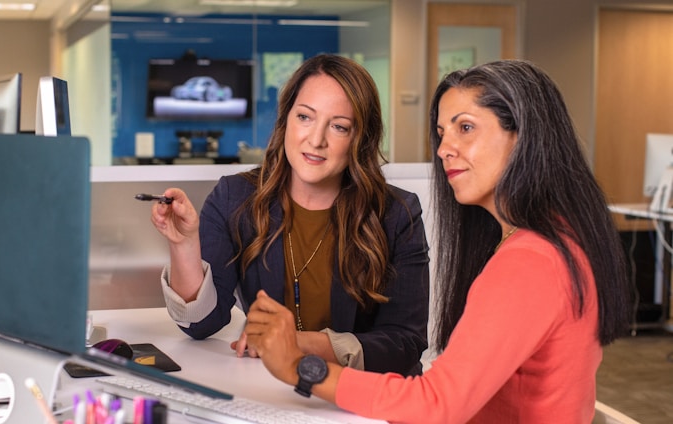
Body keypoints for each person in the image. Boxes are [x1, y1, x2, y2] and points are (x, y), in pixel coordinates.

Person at [243, 59, 633, 423]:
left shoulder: (531, 260)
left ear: (523, 137)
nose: (445, 149)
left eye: (466, 128)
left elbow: (438, 403)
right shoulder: (559, 237)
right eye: (443, 133)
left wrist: (300, 368)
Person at [149, 54, 430, 375]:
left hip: (362, 397)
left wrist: (297, 343)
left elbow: (405, 344)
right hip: (272, 390)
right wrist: (184, 244)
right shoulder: (235, 197)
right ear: (286, 120)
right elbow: (200, 324)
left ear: (359, 139)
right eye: (305, 117)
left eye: (339, 126)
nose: (316, 139)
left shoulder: (397, 213)